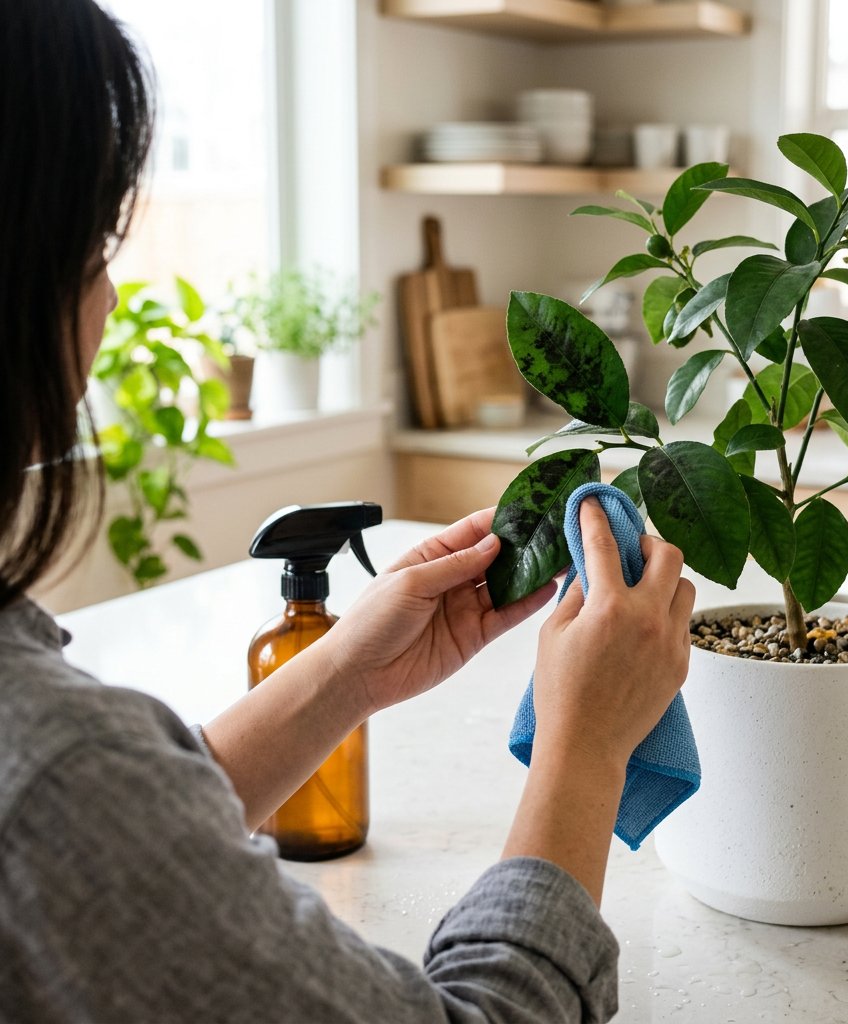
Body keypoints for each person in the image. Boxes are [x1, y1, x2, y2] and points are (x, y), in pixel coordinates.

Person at [0, 2, 696, 1021]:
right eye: (96, 244)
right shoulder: (53, 776)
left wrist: (343, 674)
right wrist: (584, 748)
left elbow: (117, 832)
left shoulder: (64, 784)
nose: (108, 298)